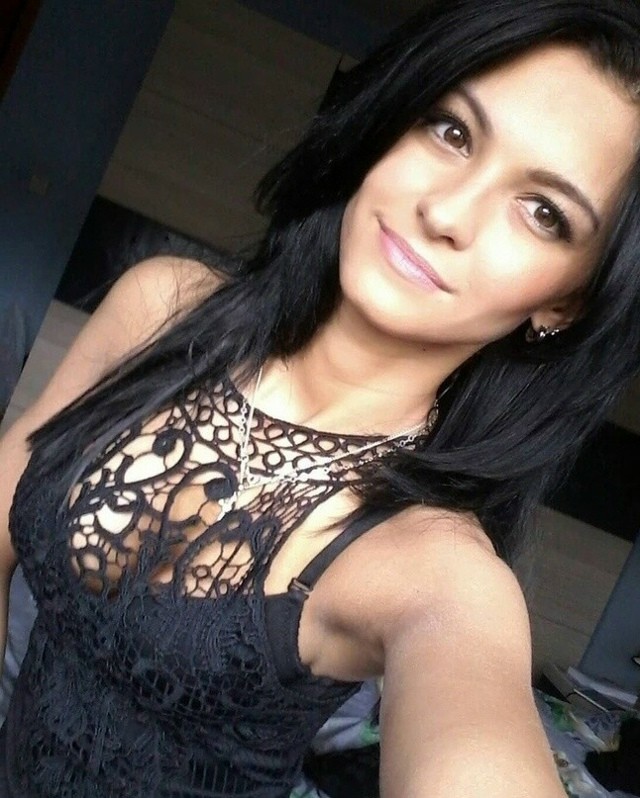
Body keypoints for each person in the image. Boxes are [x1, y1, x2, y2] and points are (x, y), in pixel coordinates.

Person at [1, 0, 639, 795]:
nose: (445, 211)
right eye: (451, 131)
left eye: (543, 213)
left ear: (566, 304)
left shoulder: (438, 568)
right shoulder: (159, 305)